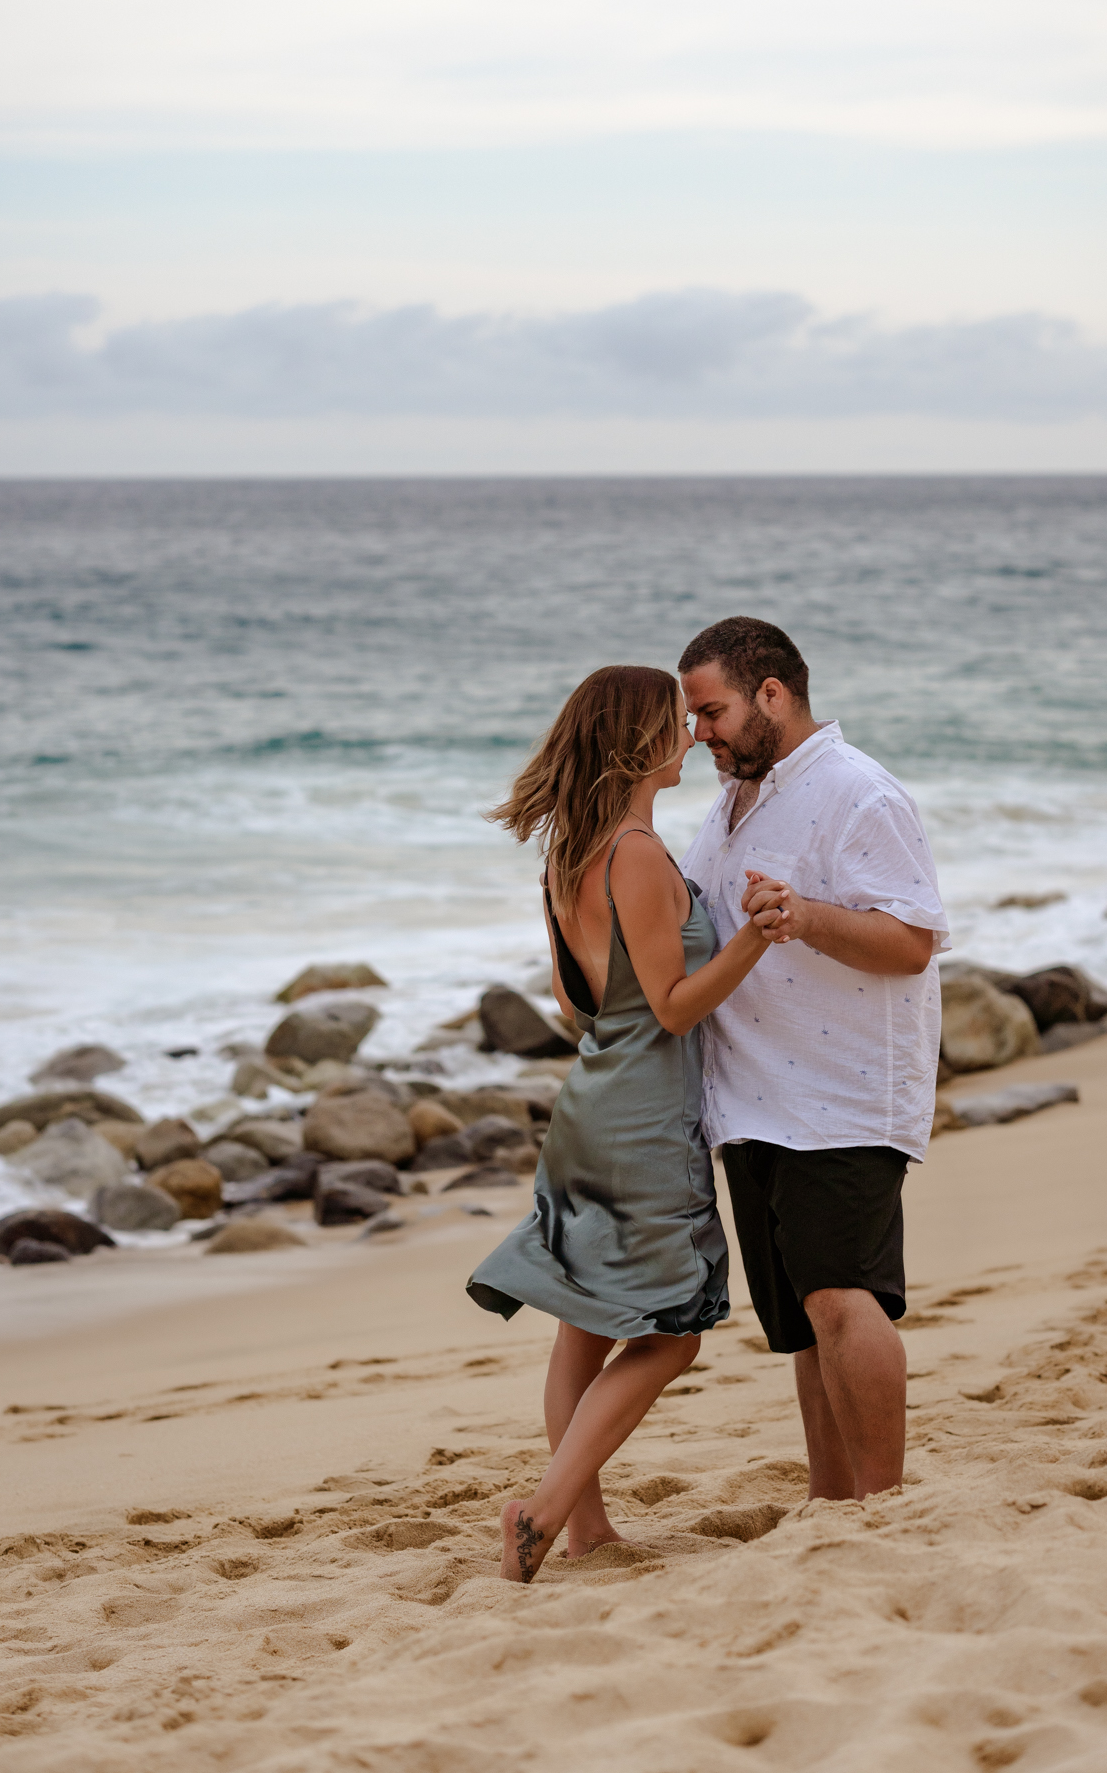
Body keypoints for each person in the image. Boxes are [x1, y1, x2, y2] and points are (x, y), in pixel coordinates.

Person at [467, 664, 782, 1583]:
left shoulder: (568, 857)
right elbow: (677, 1009)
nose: (690, 736)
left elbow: (578, 1004)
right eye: (674, 724)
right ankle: (547, 1507)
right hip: (642, 1124)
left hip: (588, 1106)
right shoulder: (637, 853)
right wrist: (755, 939)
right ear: (636, 740)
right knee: (673, 1333)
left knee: (583, 1328)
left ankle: (587, 1532)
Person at [678, 617, 950, 1503]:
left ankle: (881, 1503)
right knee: (799, 1322)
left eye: (711, 712)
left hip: (844, 1094)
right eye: (692, 718)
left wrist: (804, 915)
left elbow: (910, 942)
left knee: (839, 1297)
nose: (699, 735)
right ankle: (833, 1503)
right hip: (746, 1096)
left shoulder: (856, 793)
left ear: (772, 694)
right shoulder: (730, 803)